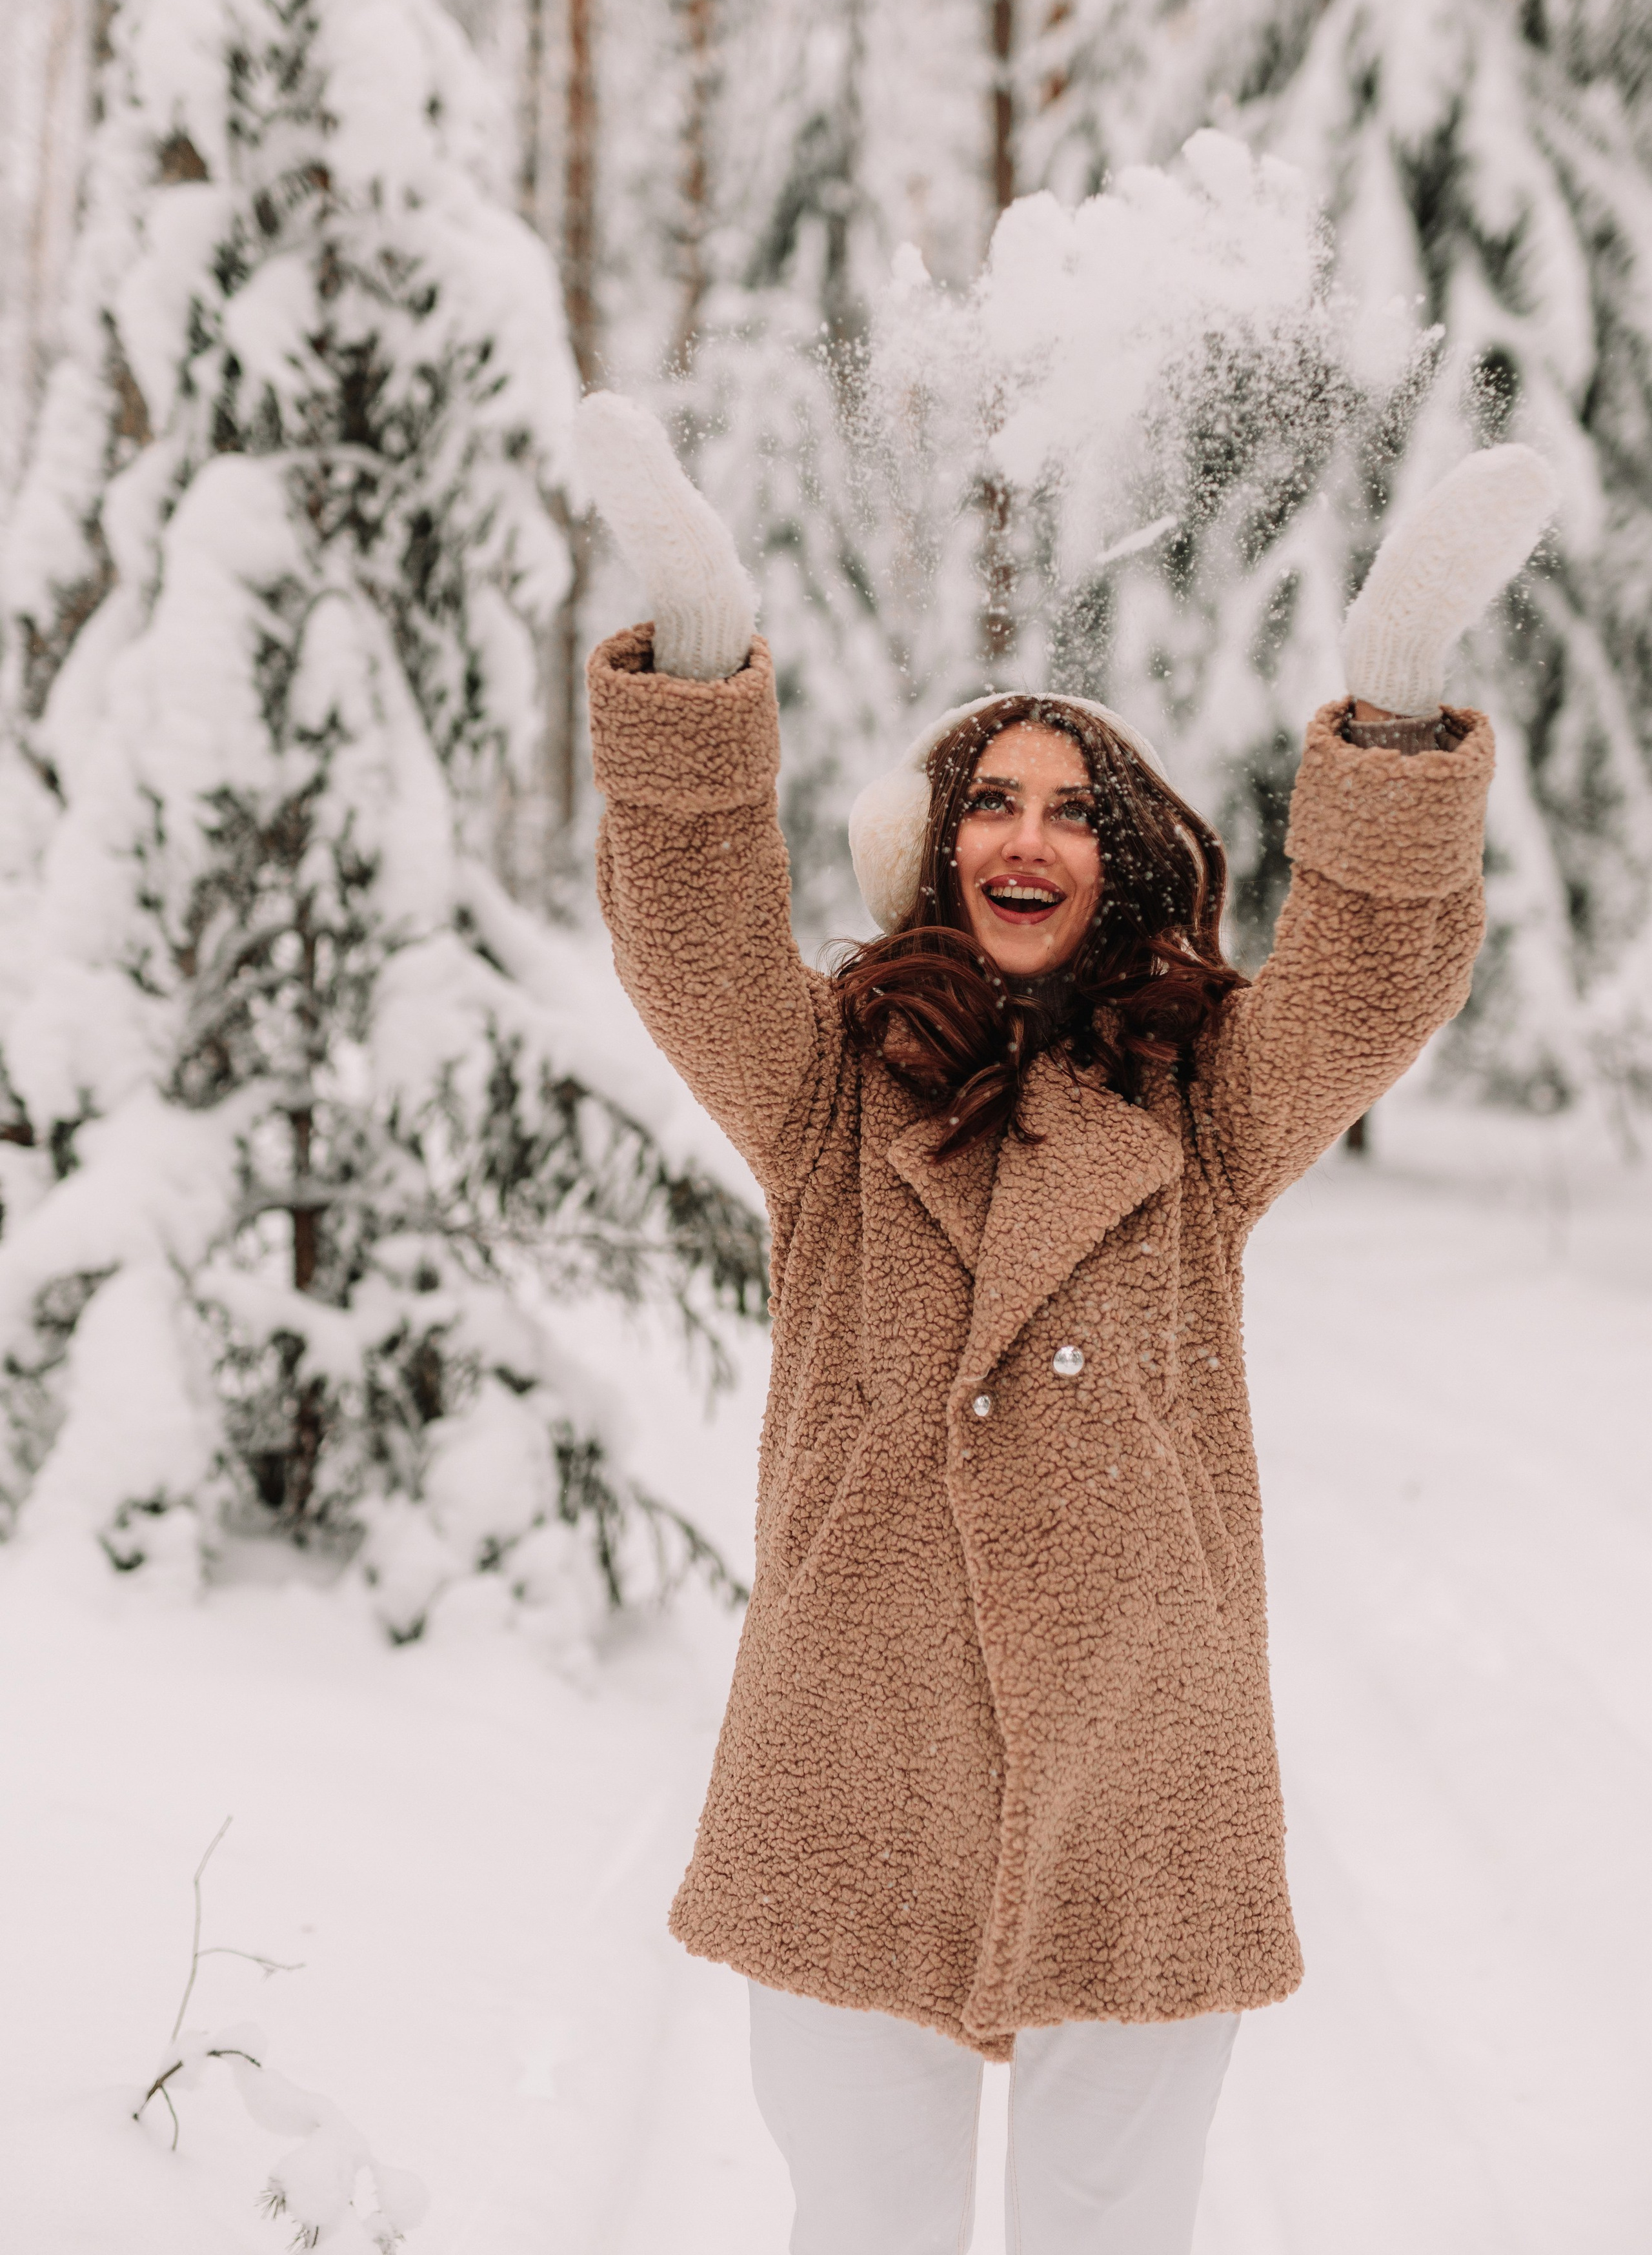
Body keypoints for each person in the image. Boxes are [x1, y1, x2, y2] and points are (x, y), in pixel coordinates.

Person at [576, 392, 1556, 2255]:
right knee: (862, 2230)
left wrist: (1398, 698)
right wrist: (698, 650)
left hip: (1145, 1772)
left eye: (1070, 808)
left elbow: (1364, 980)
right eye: (989, 805)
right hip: (854, 1759)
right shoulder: (829, 1088)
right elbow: (695, 948)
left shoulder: (1210, 1101)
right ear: (940, 854)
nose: (1028, 837)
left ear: (1128, 859)